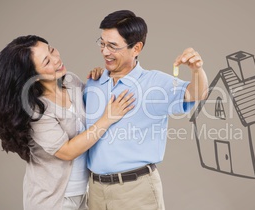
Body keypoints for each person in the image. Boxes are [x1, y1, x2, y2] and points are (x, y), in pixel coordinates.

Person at [0, 35, 135, 210]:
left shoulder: (71, 82)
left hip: (84, 194)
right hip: (53, 201)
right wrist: (108, 119)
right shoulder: (36, 109)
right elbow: (67, 151)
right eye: (47, 62)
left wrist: (99, 79)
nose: (56, 59)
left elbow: (97, 107)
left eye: (52, 50)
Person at [84, 10, 209, 210]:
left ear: (136, 48)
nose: (105, 52)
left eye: (113, 46)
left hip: (135, 192)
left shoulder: (155, 83)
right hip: (95, 192)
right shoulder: (94, 84)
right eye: (102, 43)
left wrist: (197, 70)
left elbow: (197, 94)